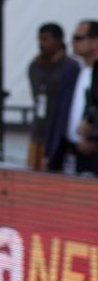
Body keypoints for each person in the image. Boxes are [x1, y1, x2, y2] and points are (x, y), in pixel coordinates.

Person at [29, 22, 80, 170]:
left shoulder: (71, 67)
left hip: (59, 132)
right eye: (40, 39)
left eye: (46, 39)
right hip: (39, 130)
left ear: (58, 41)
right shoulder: (36, 66)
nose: (41, 44)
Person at [64, 19, 98, 175]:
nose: (73, 42)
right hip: (76, 150)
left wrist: (93, 137)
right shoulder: (78, 69)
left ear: (95, 41)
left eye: (79, 38)